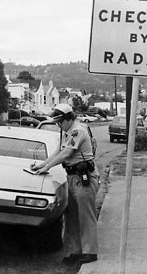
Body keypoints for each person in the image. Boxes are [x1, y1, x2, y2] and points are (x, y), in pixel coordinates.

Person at [30, 103, 99, 265]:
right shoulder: (65, 132)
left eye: (61, 121)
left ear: (69, 118)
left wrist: (48, 167)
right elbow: (58, 152)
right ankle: (77, 252)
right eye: (57, 122)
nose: (58, 125)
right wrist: (41, 165)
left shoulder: (78, 131)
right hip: (72, 177)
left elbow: (67, 153)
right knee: (73, 217)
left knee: (86, 216)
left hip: (84, 178)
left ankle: (90, 252)